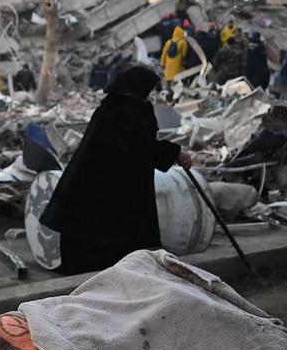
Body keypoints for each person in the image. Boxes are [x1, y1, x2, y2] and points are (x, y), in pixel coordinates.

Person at [40, 65, 191, 275]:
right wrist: (175, 152)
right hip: (105, 197)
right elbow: (142, 147)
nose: (152, 94)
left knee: (90, 249)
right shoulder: (128, 111)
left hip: (93, 193)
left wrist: (171, 152)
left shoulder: (113, 106)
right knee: (101, 255)